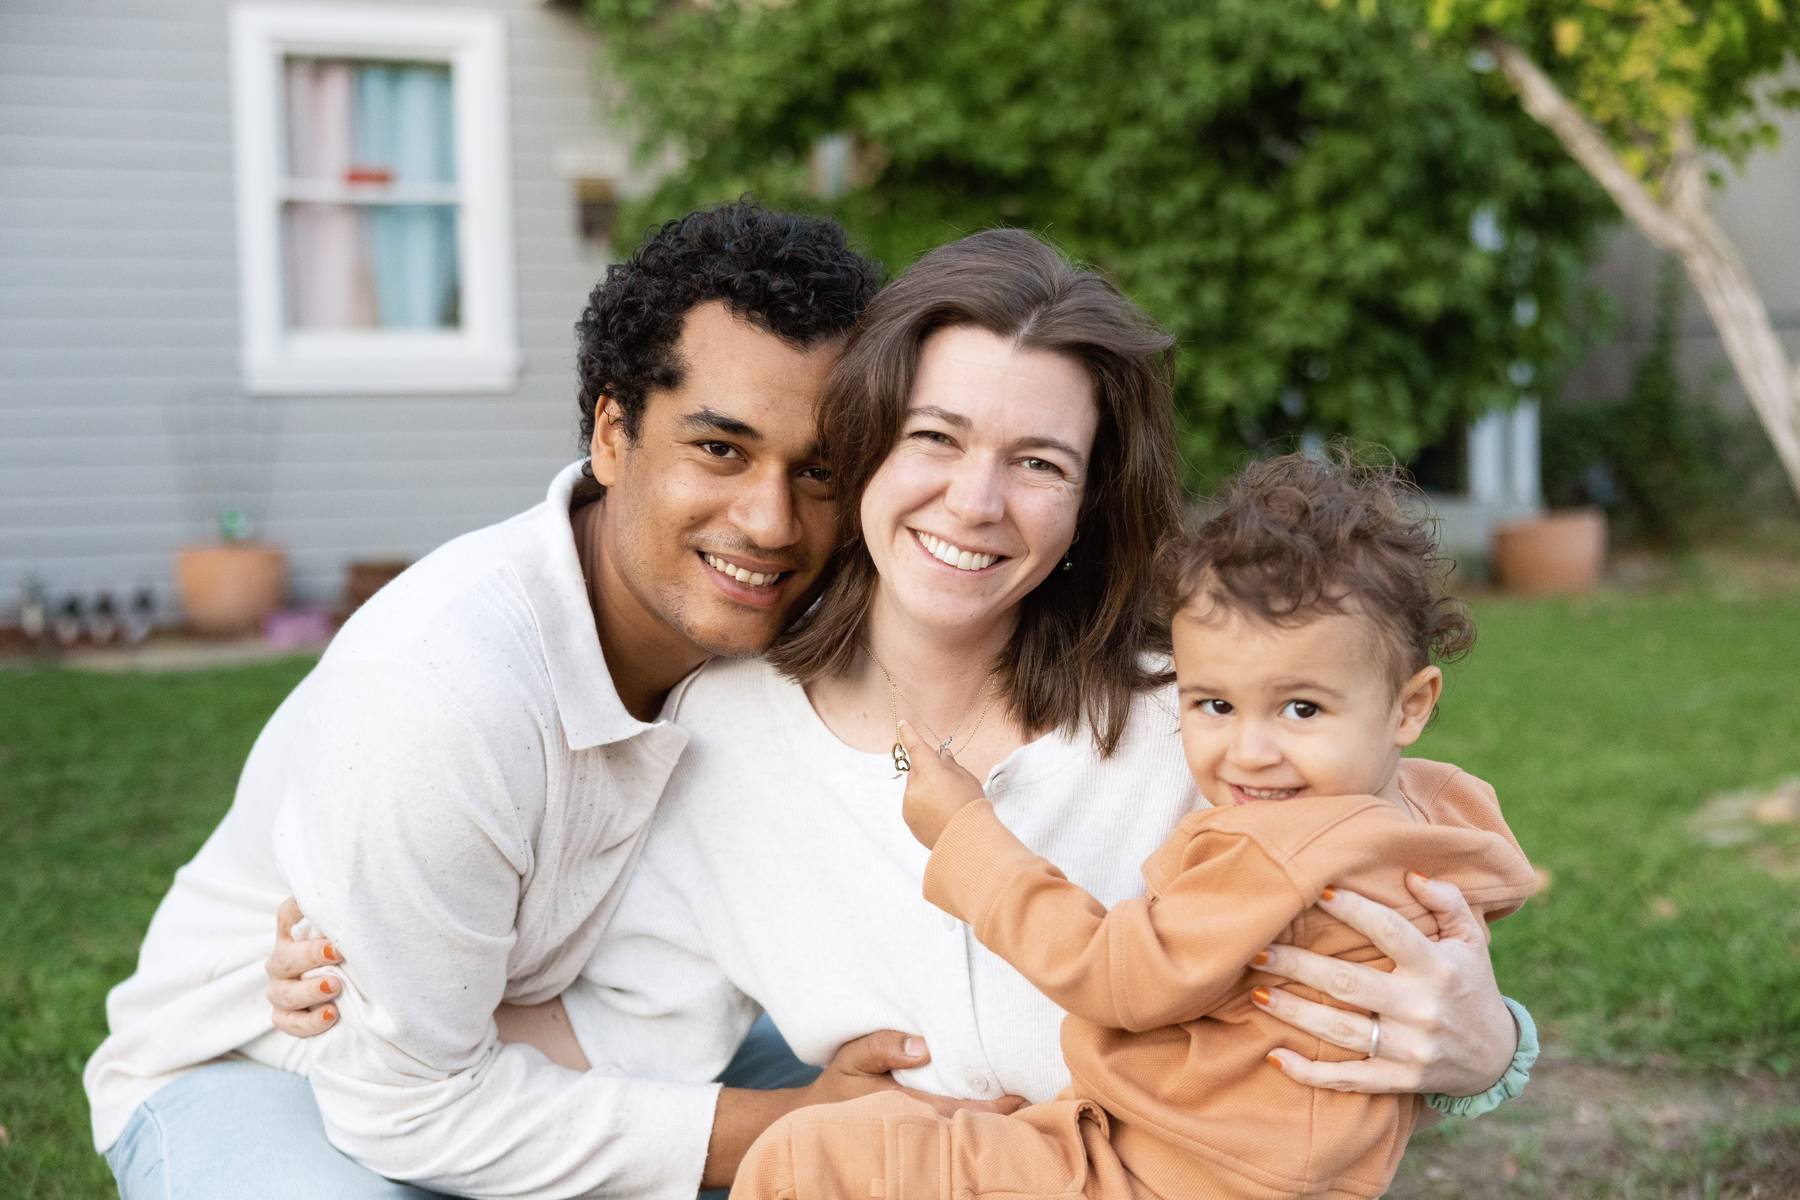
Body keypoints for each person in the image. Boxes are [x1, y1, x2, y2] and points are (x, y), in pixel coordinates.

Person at [268, 229, 1536, 1193]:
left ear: (1090, 500)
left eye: (1039, 462)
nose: (975, 502)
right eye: (936, 437)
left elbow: (1393, 943)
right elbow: (619, 1032)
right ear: (867, 443)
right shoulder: (726, 735)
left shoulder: (1201, 727)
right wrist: (358, 973)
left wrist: (1495, 1052)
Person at [85, 202, 1001, 1200]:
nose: (772, 523)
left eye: (818, 470)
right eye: (721, 450)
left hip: (579, 1034)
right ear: (614, 432)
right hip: (269, 1066)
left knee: (952, 1104)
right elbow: (409, 1104)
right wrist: (792, 1129)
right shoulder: (441, 688)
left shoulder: (797, 643)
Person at [728, 450, 1539, 1200]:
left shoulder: (1278, 844)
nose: (1252, 753)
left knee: (804, 1161)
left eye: (1301, 708)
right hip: (1244, 1165)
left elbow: (1118, 975)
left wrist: (968, 833)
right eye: (1215, 704)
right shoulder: (1435, 817)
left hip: (1148, 1172)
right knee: (886, 1136)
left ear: (1411, 706)